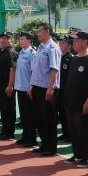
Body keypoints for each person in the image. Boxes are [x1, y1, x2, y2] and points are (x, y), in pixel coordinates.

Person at [65, 32, 88, 167]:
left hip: (83, 102)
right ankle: (77, 154)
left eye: (76, 41)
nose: (73, 44)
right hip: (71, 101)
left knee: (83, 130)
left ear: (85, 42)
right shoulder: (74, 59)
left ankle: (86, 156)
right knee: (73, 130)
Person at [29, 23, 62, 156]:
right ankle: (44, 144)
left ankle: (51, 147)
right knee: (40, 119)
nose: (37, 33)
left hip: (47, 89)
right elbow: (36, 69)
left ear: (47, 31)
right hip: (37, 87)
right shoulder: (40, 47)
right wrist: (31, 85)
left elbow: (54, 69)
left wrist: (50, 87)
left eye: (40, 31)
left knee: (48, 119)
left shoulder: (53, 48)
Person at [0, 32, 17, 140]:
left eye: (7, 38)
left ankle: (9, 132)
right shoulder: (0, 52)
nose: (4, 40)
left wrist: (10, 86)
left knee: (8, 109)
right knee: (3, 109)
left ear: (11, 41)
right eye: (2, 38)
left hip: (6, 85)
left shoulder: (11, 53)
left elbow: (13, 70)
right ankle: (4, 130)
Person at [14, 32, 37, 146]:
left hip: (28, 89)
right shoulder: (21, 52)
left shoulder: (32, 53)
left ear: (29, 41)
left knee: (30, 115)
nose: (20, 41)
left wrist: (31, 87)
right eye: (20, 39)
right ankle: (25, 135)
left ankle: (31, 138)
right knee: (23, 115)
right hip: (20, 88)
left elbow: (34, 72)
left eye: (22, 39)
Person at [58, 36, 73, 142]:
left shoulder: (71, 58)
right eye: (60, 43)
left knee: (67, 114)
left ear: (69, 45)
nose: (61, 45)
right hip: (59, 90)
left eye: (64, 43)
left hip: (66, 91)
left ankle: (69, 134)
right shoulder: (60, 56)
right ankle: (65, 133)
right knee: (61, 113)